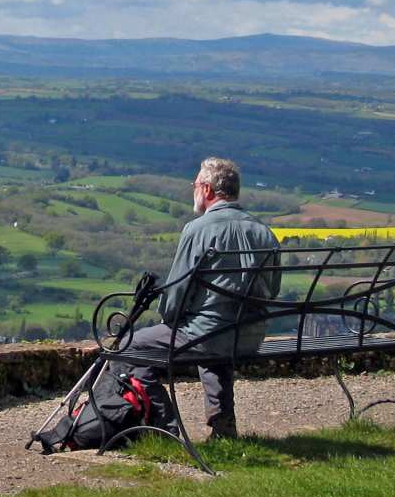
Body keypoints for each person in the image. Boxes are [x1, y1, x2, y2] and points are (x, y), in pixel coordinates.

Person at [114, 157, 279, 440]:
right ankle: (223, 427)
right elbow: (272, 289)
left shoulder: (198, 230)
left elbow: (176, 296)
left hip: (210, 335)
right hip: (250, 335)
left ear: (206, 189)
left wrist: (171, 318)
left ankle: (165, 429)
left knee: (129, 348)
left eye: (195, 185)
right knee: (213, 341)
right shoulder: (263, 231)